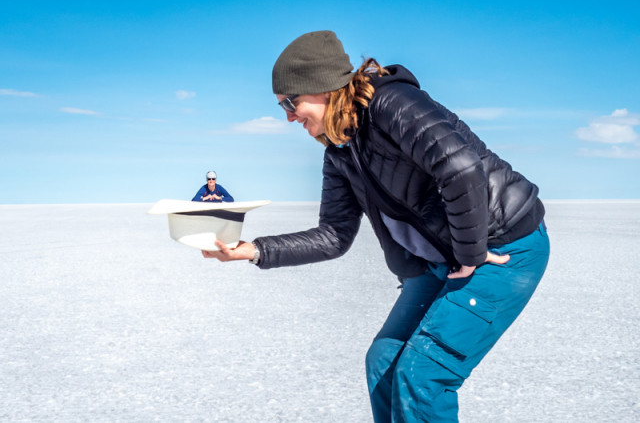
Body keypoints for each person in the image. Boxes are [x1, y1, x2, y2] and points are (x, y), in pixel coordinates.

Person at [203, 31, 550, 422]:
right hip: (445, 259)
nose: (287, 115)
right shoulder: (340, 150)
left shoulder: (391, 102)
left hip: (501, 249)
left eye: (290, 101)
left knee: (423, 375)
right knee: (384, 363)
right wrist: (251, 250)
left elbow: (461, 168)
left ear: (321, 86)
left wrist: (470, 254)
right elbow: (334, 235)